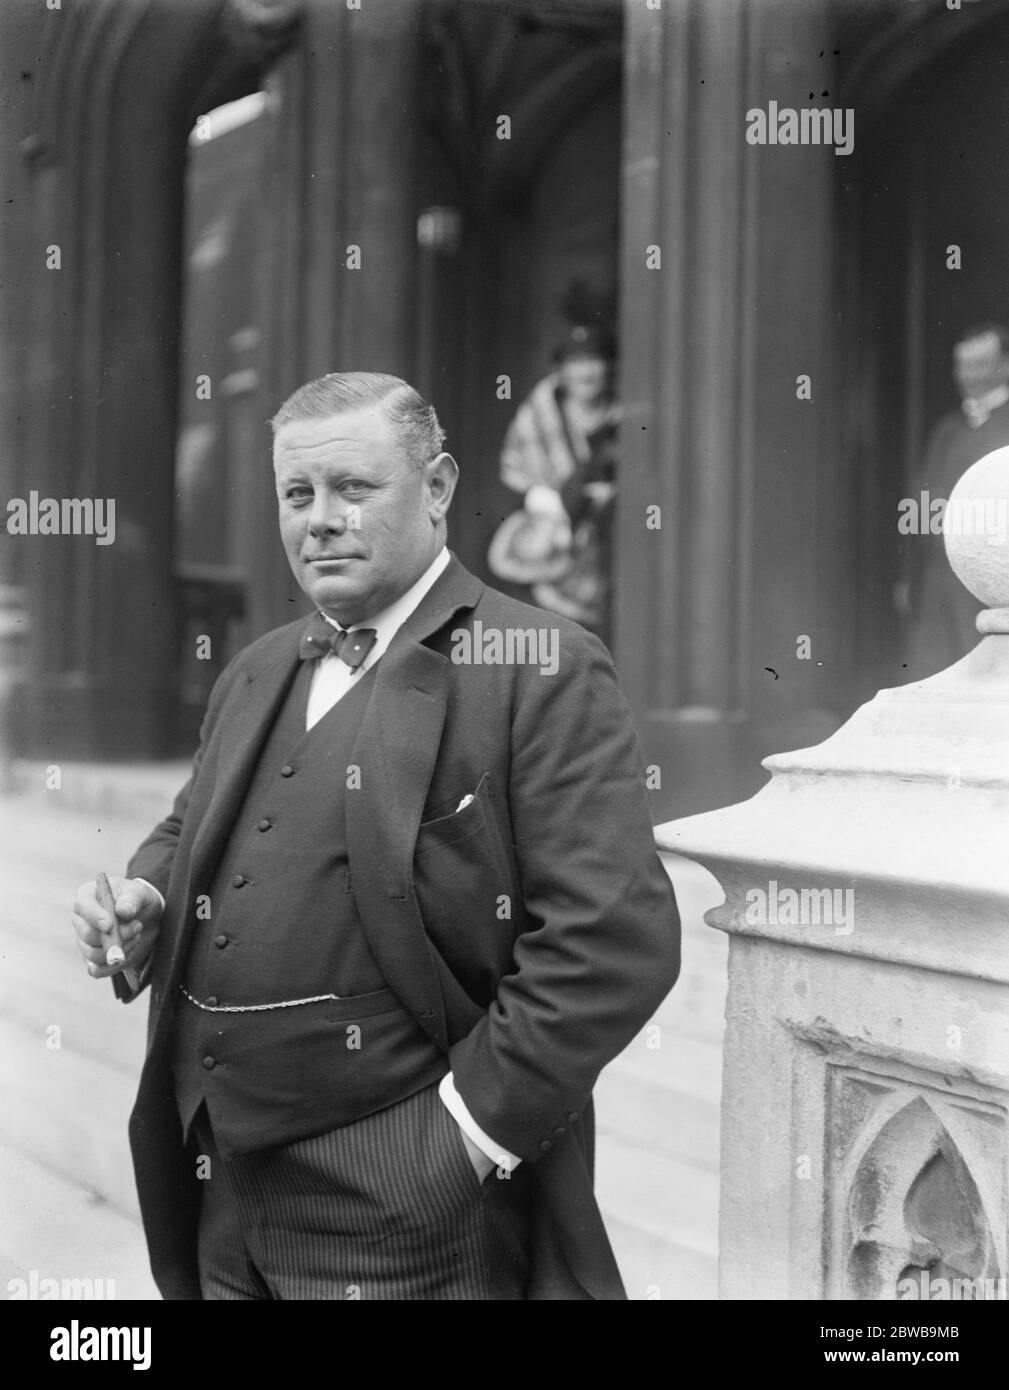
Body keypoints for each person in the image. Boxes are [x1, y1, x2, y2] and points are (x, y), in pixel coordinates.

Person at [71, 372, 680, 1301]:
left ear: (437, 488)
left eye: (354, 489)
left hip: (402, 1213)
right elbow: (193, 820)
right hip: (216, 1188)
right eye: (297, 494)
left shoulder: (537, 667)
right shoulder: (257, 669)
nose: (320, 520)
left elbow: (612, 940)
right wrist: (148, 895)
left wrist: (457, 1146)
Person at [492, 323, 620, 643]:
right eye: (576, 362)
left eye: (594, 360)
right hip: (555, 561)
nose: (585, 372)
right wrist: (546, 498)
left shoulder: (624, 413)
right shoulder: (540, 412)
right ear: (562, 370)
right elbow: (515, 466)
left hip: (615, 549)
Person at [897, 323, 1009, 677]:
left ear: (1004, 366)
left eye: (979, 365)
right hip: (938, 582)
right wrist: (909, 576)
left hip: (989, 585)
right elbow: (920, 504)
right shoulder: (947, 429)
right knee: (930, 675)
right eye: (962, 366)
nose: (968, 376)